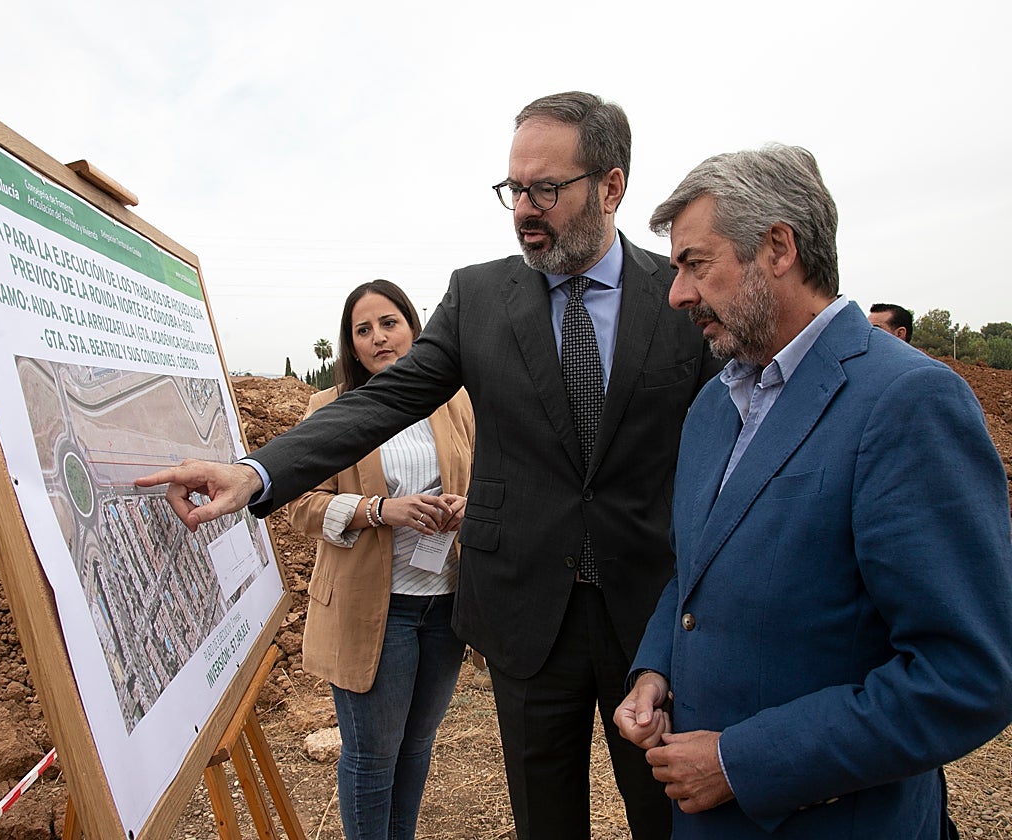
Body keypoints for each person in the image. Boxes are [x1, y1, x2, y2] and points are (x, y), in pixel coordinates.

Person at [138, 91, 720, 840]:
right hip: (525, 620)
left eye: (546, 188)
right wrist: (256, 473)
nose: (523, 210)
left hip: (651, 622)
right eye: (514, 190)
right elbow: (380, 404)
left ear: (610, 187)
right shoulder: (479, 297)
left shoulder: (676, 295)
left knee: (665, 819)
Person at [614, 144, 1012, 838]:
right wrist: (655, 669)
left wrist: (742, 762)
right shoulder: (713, 407)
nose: (676, 293)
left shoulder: (907, 402)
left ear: (777, 247)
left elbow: (970, 673)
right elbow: (695, 575)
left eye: (694, 263)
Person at [285, 279, 474, 840]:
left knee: (416, 747)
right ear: (350, 344)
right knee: (372, 757)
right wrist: (379, 509)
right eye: (362, 329)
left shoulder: (453, 401)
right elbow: (300, 506)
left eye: (388, 323)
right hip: (375, 610)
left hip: (443, 605)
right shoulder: (331, 408)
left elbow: (489, 474)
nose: (378, 338)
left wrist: (469, 504)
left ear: (413, 328)